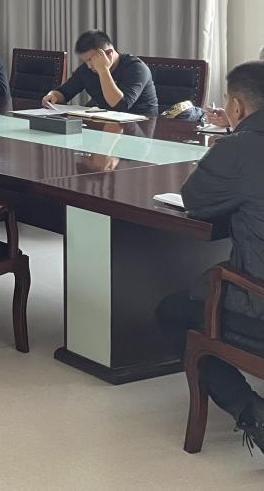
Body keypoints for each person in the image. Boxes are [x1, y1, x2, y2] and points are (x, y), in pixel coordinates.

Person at [155, 61, 264, 453]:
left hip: (260, 307)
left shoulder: (239, 148)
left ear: (236, 106)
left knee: (172, 311)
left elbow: (194, 200)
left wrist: (226, 148)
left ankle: (252, 412)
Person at [41, 30, 159, 116]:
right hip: (106, 125)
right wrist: (53, 96)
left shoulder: (136, 68)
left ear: (109, 53)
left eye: (92, 60)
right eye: (86, 61)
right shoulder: (87, 69)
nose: (89, 65)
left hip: (141, 129)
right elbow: (65, 92)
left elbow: (120, 106)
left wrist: (103, 70)